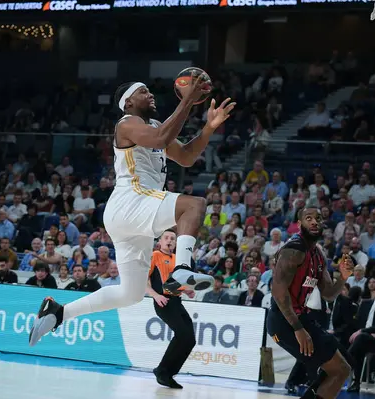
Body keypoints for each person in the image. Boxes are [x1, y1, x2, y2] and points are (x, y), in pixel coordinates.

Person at [28, 74, 236, 346]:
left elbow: (185, 156)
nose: (151, 95)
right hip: (132, 200)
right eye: (144, 92)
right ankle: (182, 268)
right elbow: (161, 139)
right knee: (194, 205)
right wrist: (187, 101)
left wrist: (208, 128)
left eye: (150, 92)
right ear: (128, 103)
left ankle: (59, 312)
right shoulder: (126, 124)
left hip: (130, 212)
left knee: (131, 293)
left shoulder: (156, 126)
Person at [267, 207, 352, 399]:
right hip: (284, 321)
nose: (314, 222)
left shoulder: (318, 255)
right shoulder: (293, 250)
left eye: (318, 219)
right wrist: (298, 328)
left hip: (301, 318)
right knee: (339, 370)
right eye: (309, 218)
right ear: (300, 224)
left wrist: (343, 279)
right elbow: (278, 293)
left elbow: (329, 294)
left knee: (342, 366)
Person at [145, 229, 195, 389]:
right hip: (163, 301)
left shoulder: (177, 259)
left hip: (176, 300)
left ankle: (168, 373)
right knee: (182, 334)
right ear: (159, 241)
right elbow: (144, 280)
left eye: (173, 238)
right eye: (166, 237)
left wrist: (187, 289)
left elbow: (177, 282)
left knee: (190, 339)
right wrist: (155, 295)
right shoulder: (154, 255)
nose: (170, 240)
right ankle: (161, 370)